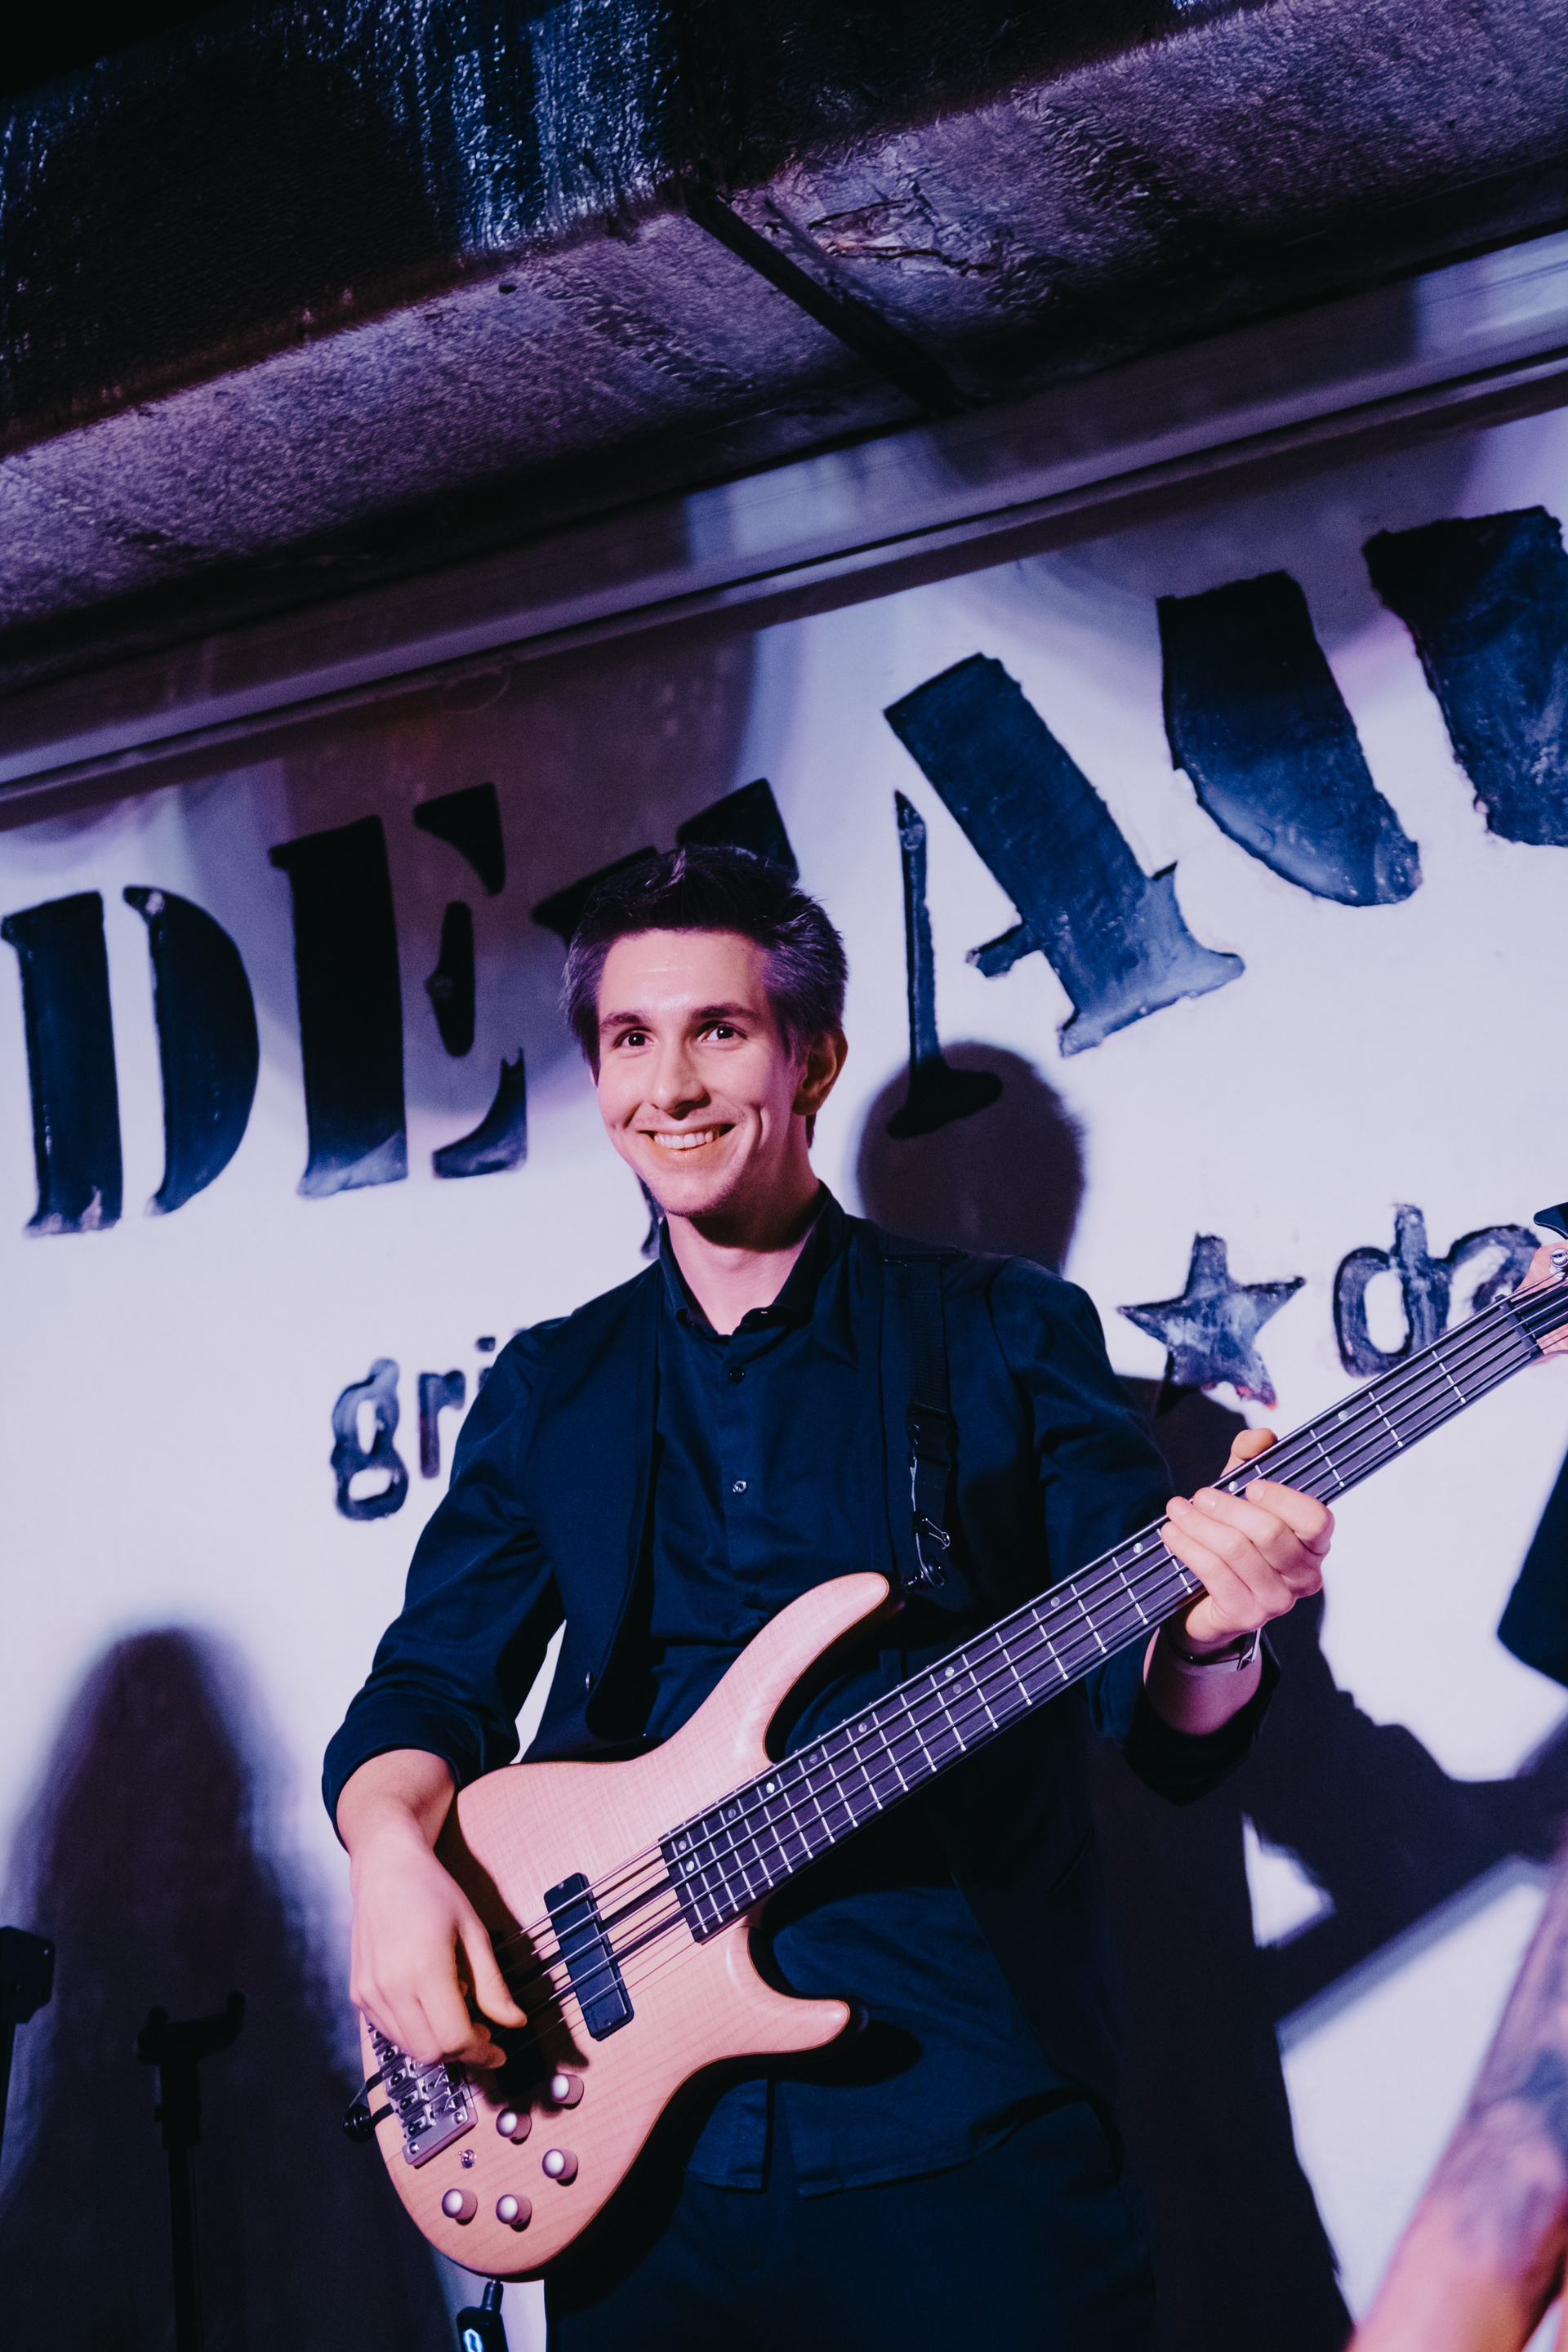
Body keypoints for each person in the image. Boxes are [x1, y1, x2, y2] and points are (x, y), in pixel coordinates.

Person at [325, 846, 1335, 2351]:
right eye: (631, 1038)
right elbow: (429, 1687)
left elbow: (1159, 1711)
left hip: (963, 2121)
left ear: (813, 1059)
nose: (671, 1083)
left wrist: (1219, 1629)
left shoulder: (1002, 1331)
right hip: (628, 2152)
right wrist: (391, 1859)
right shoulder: (552, 1386)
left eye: (720, 1031)